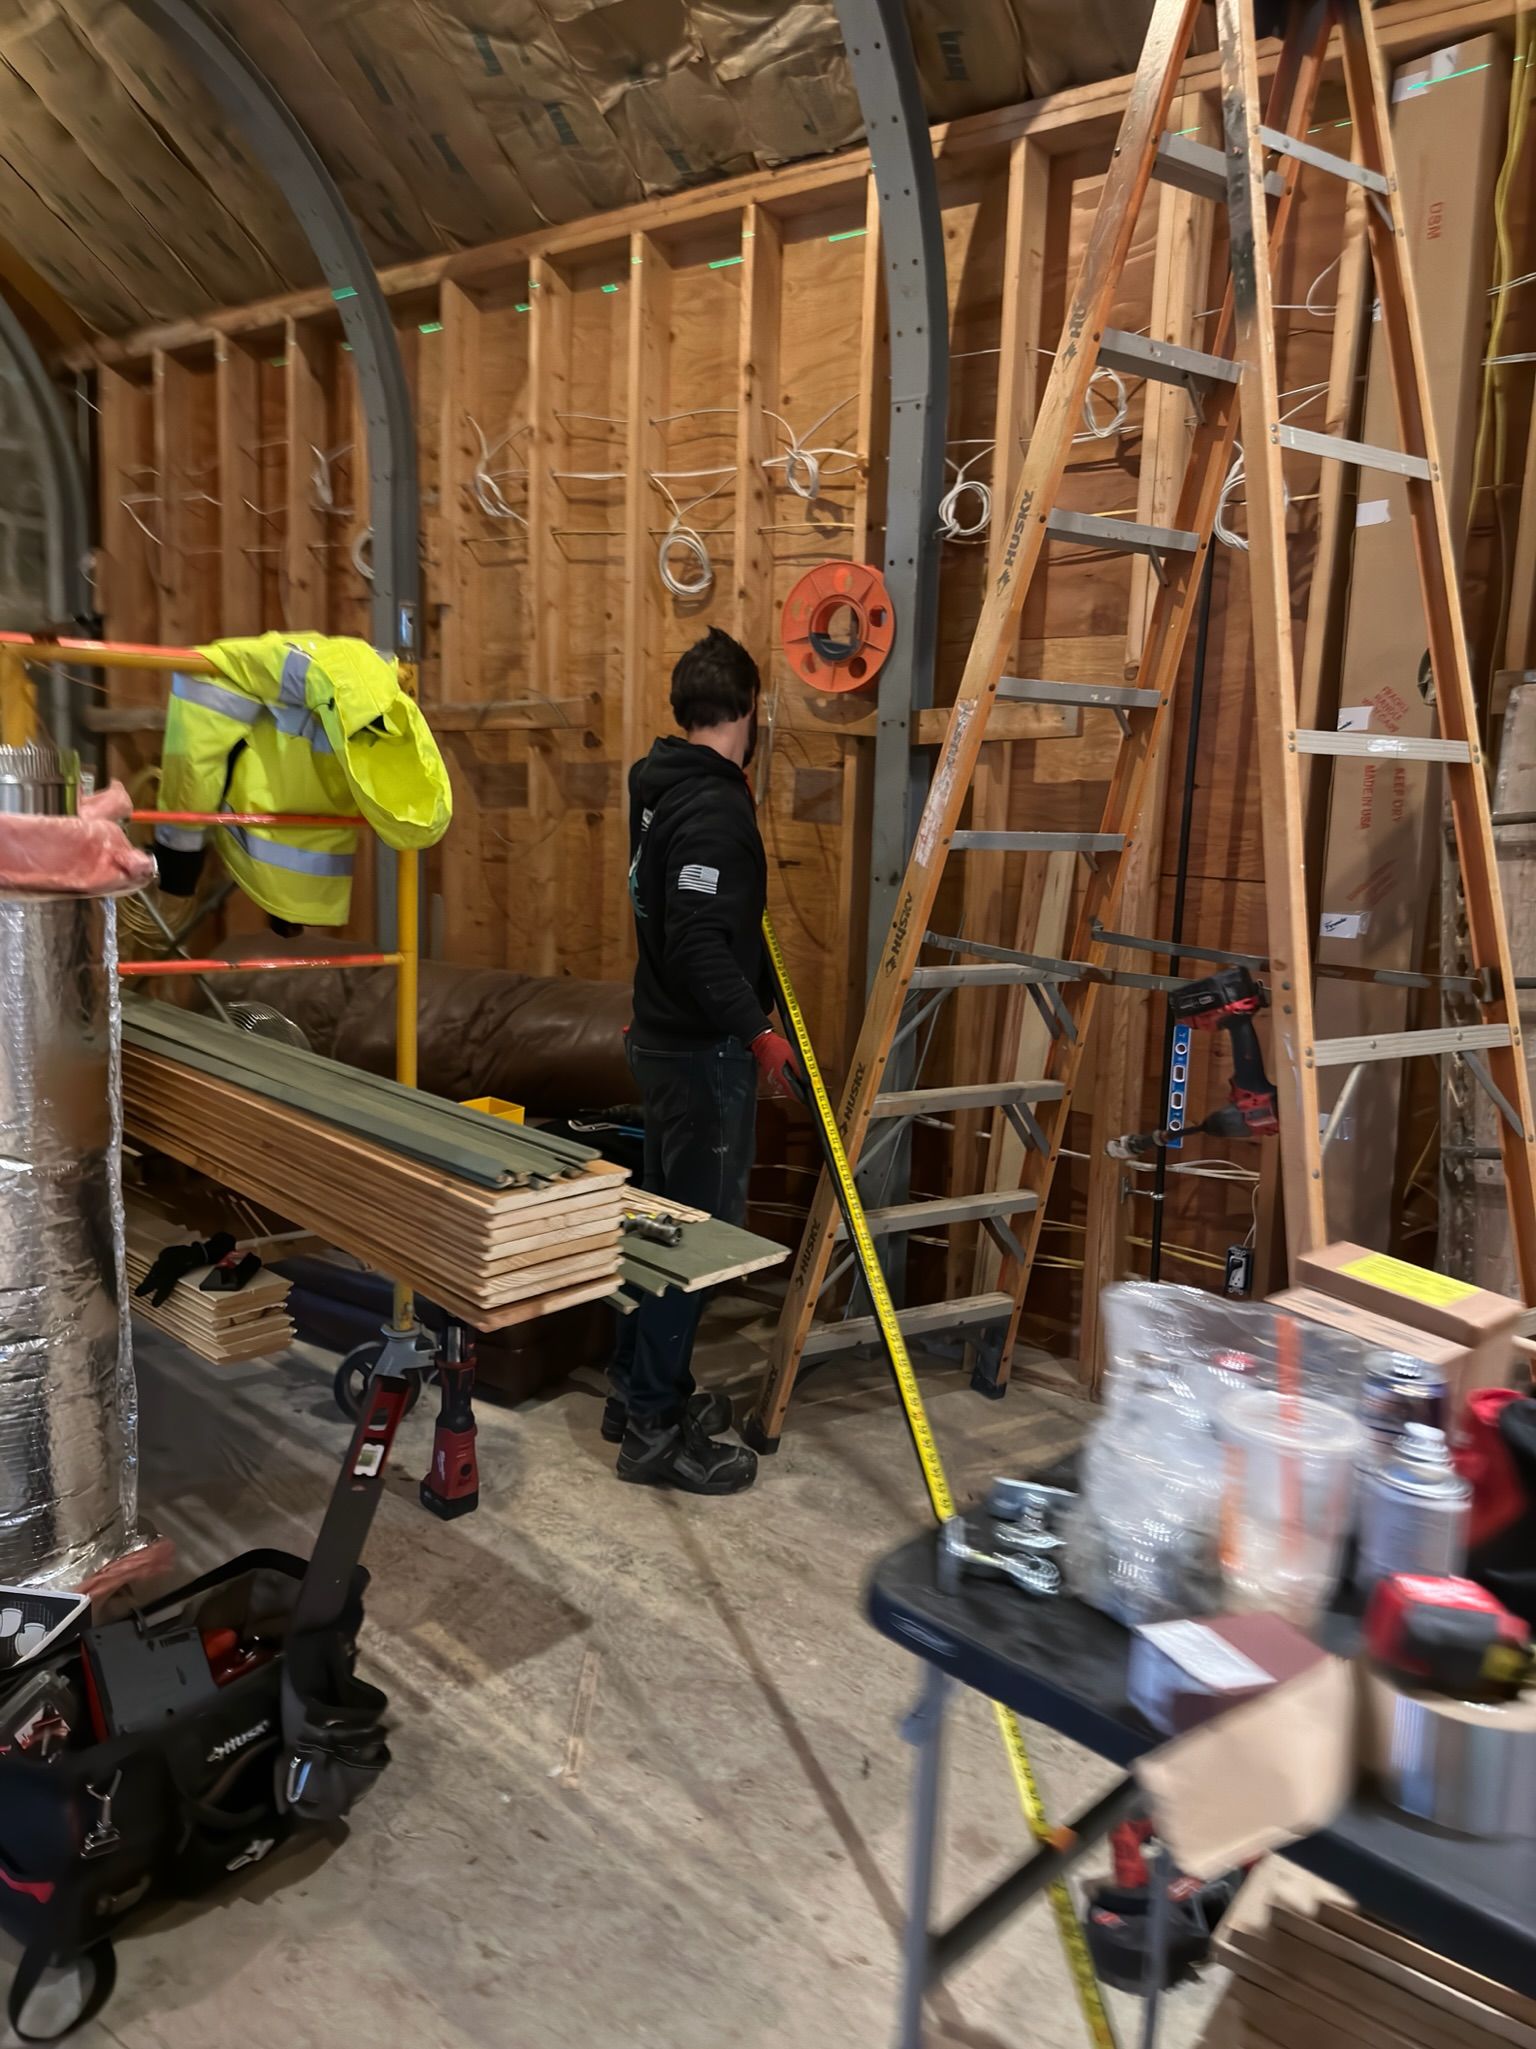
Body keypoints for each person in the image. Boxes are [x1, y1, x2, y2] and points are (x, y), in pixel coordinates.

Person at [607, 627, 801, 1493]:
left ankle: (636, 1394)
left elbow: (672, 916)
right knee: (694, 1243)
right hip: (698, 1054)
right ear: (751, 710)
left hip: (660, 1038)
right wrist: (758, 1031)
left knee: (659, 1229)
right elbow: (696, 941)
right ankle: (652, 1431)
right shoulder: (716, 809)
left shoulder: (657, 785)